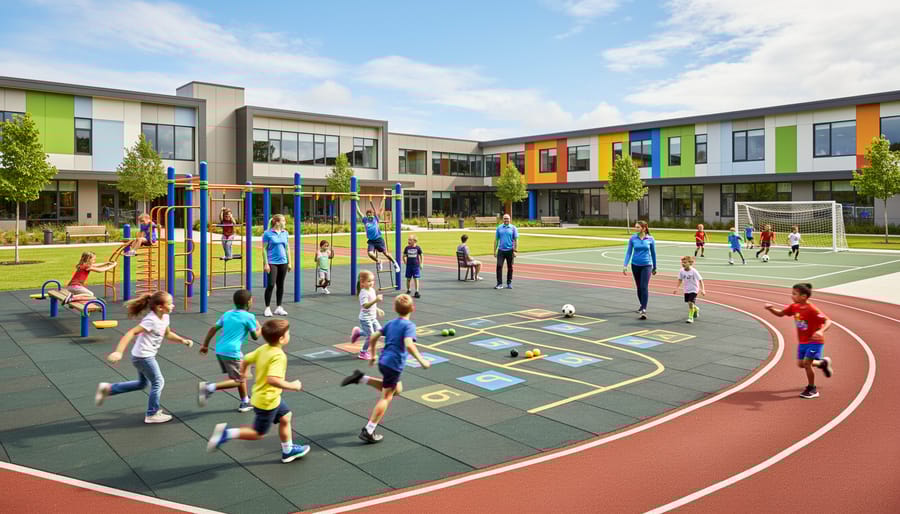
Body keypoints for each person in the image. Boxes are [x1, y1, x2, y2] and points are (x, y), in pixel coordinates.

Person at [206, 319, 311, 463]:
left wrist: (243, 373)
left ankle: (288, 450)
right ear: (282, 338)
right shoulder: (279, 356)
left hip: (269, 397)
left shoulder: (264, 348)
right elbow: (272, 380)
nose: (289, 335)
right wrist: (294, 386)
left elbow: (246, 358)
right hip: (267, 401)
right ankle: (226, 434)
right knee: (258, 433)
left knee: (286, 416)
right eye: (288, 333)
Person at [340, 294, 431, 443]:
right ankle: (369, 430)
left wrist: (373, 355)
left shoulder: (391, 323)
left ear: (395, 309)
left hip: (384, 361)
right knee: (386, 397)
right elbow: (409, 344)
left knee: (397, 389)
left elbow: (374, 336)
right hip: (393, 365)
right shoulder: (409, 326)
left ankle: (361, 378)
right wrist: (422, 361)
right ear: (413, 308)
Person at [94, 291, 194, 424]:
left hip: (142, 355)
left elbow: (167, 334)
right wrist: (118, 352)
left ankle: (108, 389)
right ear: (160, 307)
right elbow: (131, 332)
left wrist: (182, 340)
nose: (173, 305)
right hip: (143, 357)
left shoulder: (165, 317)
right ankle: (152, 414)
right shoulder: (151, 320)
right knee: (158, 382)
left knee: (142, 384)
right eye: (170, 304)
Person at [764, 283, 834, 398]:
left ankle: (812, 389)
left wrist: (821, 331)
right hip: (802, 342)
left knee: (807, 363)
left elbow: (828, 321)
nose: (792, 296)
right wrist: (771, 309)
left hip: (815, 341)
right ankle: (822, 363)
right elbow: (781, 314)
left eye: (795, 294)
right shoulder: (794, 307)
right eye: (792, 293)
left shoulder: (812, 309)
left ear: (804, 296)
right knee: (801, 364)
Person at [198, 289, 261, 412]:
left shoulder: (227, 314)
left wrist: (205, 345)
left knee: (239, 375)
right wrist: (260, 328)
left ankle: (245, 401)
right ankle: (209, 387)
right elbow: (255, 336)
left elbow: (213, 329)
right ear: (249, 302)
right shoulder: (249, 317)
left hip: (220, 350)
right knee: (239, 380)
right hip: (232, 352)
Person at [623, 220, 657, 320]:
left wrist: (655, 267)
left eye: (638, 227)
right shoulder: (633, 238)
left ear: (644, 228)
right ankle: (642, 305)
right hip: (635, 265)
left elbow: (653, 253)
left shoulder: (650, 239)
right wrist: (625, 265)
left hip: (647, 265)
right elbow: (629, 252)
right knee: (638, 287)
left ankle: (644, 310)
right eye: (635, 227)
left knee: (643, 286)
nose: (636, 229)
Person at [356, 199, 400, 273]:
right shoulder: (365, 220)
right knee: (370, 254)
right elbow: (359, 212)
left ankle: (395, 263)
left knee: (386, 253)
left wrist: (383, 199)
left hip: (378, 239)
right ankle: (379, 261)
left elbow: (381, 209)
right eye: (368, 214)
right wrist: (355, 202)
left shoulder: (376, 219)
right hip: (371, 241)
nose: (369, 215)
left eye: (370, 214)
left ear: (373, 214)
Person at [262, 214, 292, 317]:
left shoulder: (285, 233)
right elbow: (264, 249)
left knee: (280, 285)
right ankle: (267, 308)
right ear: (277, 222)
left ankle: (279, 307)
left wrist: (289, 262)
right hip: (272, 262)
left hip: (283, 262)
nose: (285, 222)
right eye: (283, 221)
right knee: (271, 284)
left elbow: (287, 248)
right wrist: (266, 263)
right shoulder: (267, 234)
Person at [351, 270, 384, 361]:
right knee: (371, 336)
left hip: (372, 317)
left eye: (372, 280)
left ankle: (358, 332)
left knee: (379, 332)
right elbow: (365, 305)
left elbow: (372, 304)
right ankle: (363, 352)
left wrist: (377, 309)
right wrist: (376, 300)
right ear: (362, 283)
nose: (371, 283)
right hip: (365, 319)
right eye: (369, 281)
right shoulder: (363, 293)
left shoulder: (372, 290)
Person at [672, 256, 705, 323]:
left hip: (694, 289)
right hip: (686, 289)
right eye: (682, 262)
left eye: (685, 262)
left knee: (690, 303)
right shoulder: (681, 271)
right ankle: (696, 308)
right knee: (689, 302)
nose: (683, 264)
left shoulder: (694, 271)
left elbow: (700, 280)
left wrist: (703, 289)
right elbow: (680, 280)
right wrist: (676, 288)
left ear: (690, 263)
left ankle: (690, 317)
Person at [494, 214, 518, 289]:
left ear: (510, 219)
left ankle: (509, 283)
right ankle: (499, 284)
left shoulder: (513, 228)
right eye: (505, 218)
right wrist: (494, 251)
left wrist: (515, 250)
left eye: (507, 218)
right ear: (503, 219)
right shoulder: (499, 228)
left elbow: (515, 240)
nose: (506, 220)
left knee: (510, 267)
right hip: (501, 250)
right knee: (499, 266)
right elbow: (496, 240)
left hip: (510, 250)